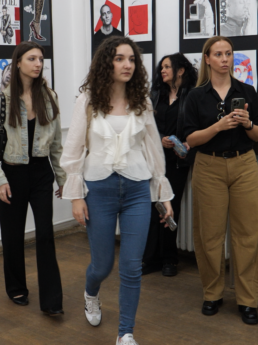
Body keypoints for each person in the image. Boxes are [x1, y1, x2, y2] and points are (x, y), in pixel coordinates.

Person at [61, 36, 174, 345]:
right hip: (99, 189)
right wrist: (75, 197)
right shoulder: (87, 100)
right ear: (106, 63)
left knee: (131, 266)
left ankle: (125, 333)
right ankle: (91, 293)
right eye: (120, 59)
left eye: (132, 60)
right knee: (102, 265)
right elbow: (72, 152)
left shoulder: (143, 101)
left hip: (138, 188)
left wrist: (163, 194)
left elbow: (153, 150)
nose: (127, 65)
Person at [181, 35, 258, 325]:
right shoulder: (195, 96)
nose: (224, 58)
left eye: (228, 53)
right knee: (209, 234)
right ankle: (212, 294)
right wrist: (218, 126)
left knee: (248, 233)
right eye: (218, 54)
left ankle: (248, 300)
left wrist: (248, 123)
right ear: (207, 59)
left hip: (244, 164)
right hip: (209, 166)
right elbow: (190, 138)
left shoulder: (247, 91)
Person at [0, 41, 66, 316]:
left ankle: (52, 301)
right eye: (32, 58)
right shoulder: (1, 100)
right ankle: (16, 287)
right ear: (18, 63)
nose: (38, 63)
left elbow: (56, 144)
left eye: (41, 59)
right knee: (13, 236)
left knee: (45, 235)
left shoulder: (50, 97)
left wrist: (63, 179)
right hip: (12, 174)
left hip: (41, 174)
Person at [142, 53, 198, 277]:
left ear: (181, 70)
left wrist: (187, 143)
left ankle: (169, 259)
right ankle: (151, 259)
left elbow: (196, 126)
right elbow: (149, 126)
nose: (162, 71)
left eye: (167, 67)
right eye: (161, 67)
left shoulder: (192, 95)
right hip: (155, 159)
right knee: (151, 209)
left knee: (170, 211)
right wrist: (163, 137)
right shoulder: (155, 95)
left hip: (179, 161)